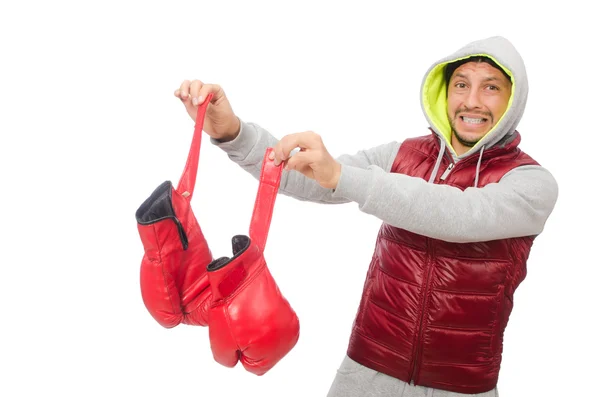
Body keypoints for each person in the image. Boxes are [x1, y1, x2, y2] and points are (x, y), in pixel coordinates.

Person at [173, 36, 558, 397]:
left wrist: (343, 177)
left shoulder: (531, 182)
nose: (472, 101)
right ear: (445, 92)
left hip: (461, 385)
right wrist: (233, 133)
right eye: (461, 85)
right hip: (365, 370)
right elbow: (312, 177)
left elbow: (460, 216)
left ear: (513, 100)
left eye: (490, 87)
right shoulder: (402, 155)